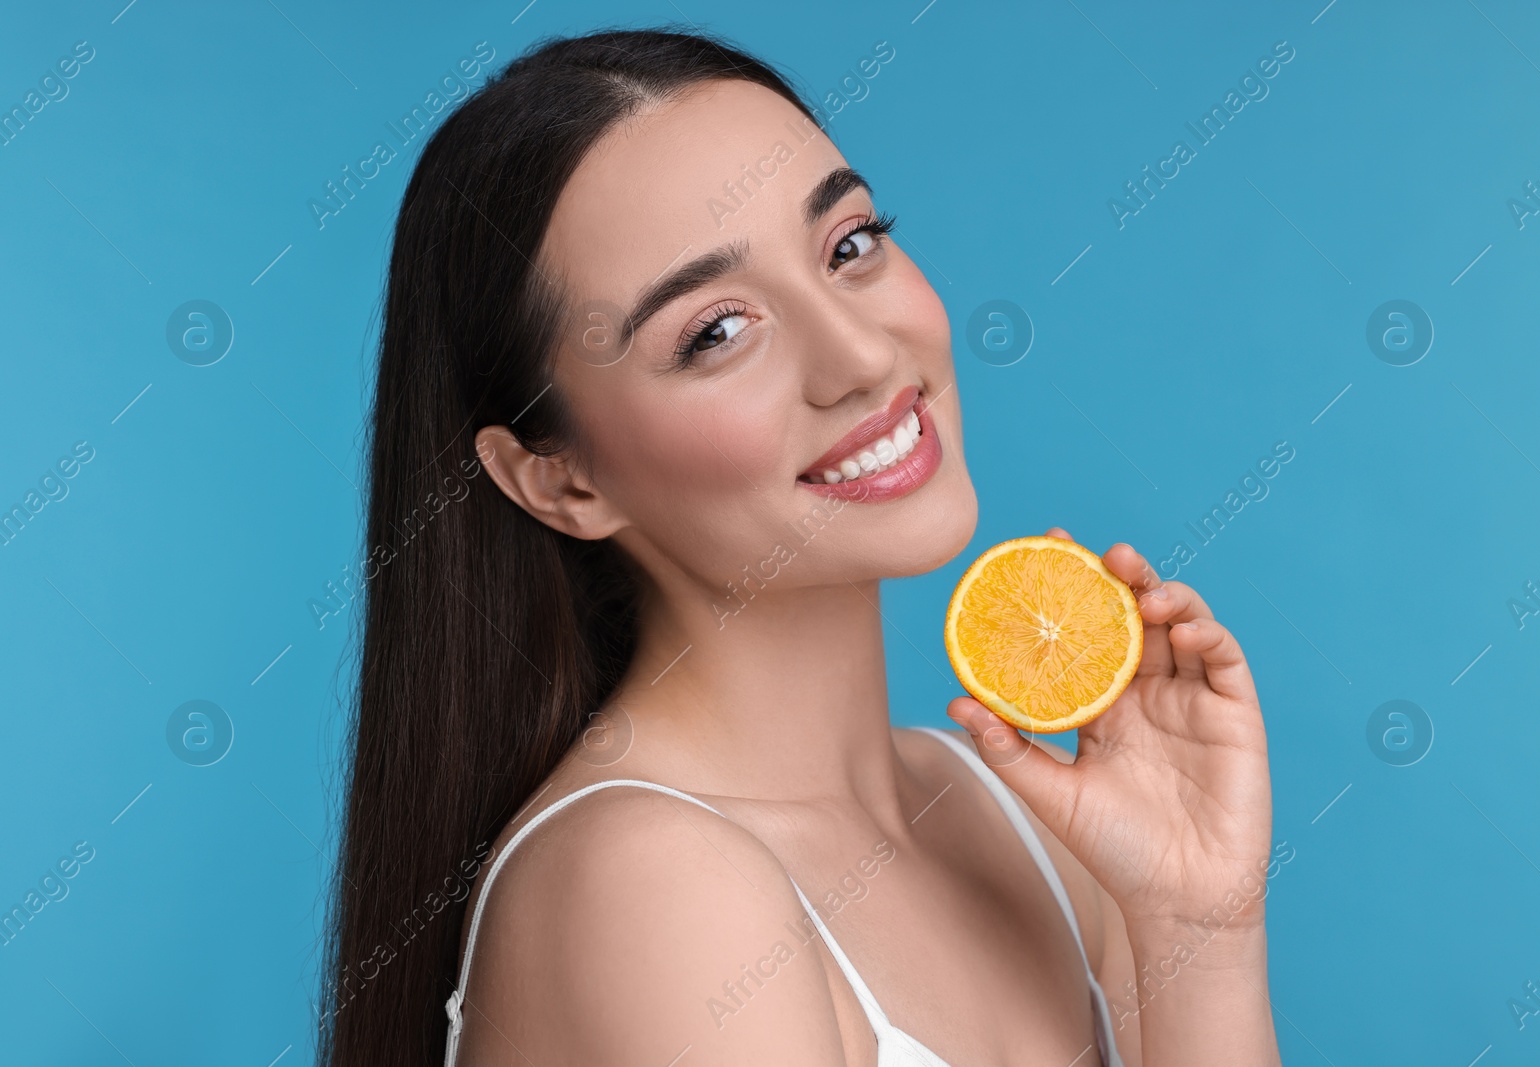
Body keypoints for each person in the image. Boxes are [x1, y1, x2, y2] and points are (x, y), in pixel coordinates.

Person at [320, 27, 1279, 1067]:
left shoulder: (1023, 817)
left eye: (849, 245)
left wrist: (1200, 928)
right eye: (715, 331)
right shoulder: (646, 883)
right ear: (560, 478)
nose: (863, 357)